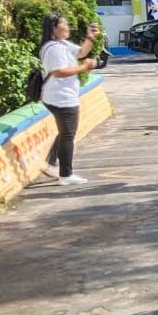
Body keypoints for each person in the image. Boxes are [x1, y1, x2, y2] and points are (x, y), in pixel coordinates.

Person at [38, 13, 99, 186]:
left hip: (61, 95)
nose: (68, 26)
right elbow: (59, 72)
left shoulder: (61, 44)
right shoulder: (54, 48)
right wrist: (84, 67)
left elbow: (80, 52)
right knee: (68, 135)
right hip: (60, 96)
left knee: (65, 133)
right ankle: (66, 174)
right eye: (65, 24)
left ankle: (50, 164)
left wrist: (90, 37)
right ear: (55, 28)